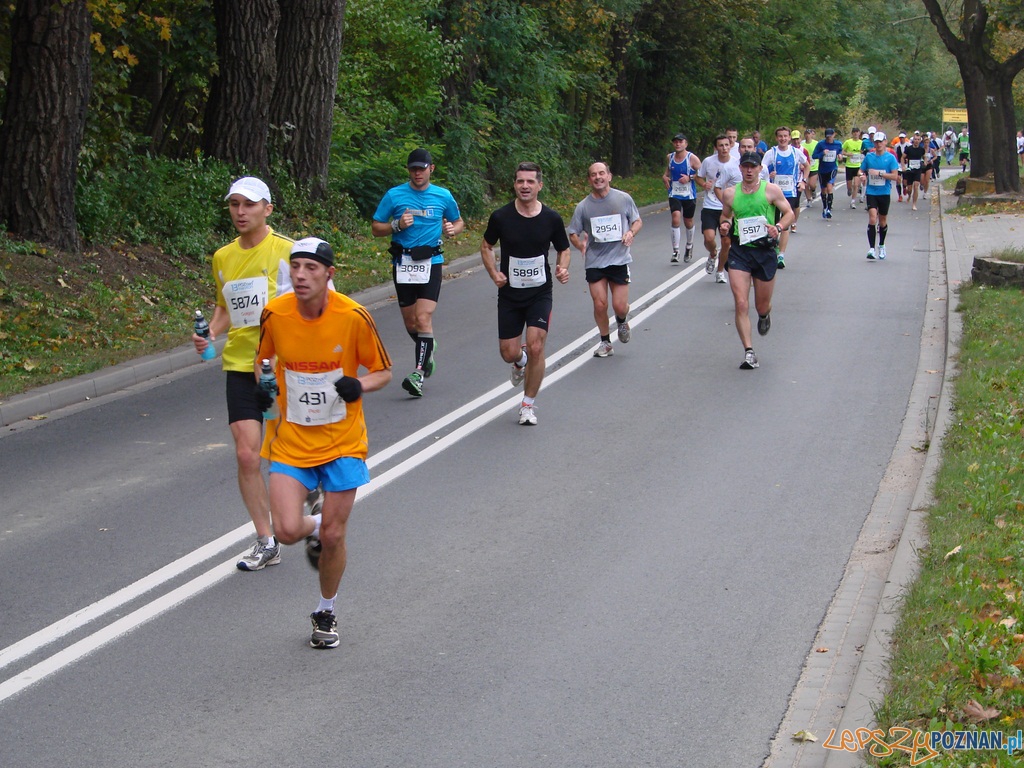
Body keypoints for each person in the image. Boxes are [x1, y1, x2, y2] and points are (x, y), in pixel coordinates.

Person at [255, 237, 392, 649]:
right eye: (295, 267)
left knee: (334, 537)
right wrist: (263, 384)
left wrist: (359, 384)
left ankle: (325, 610)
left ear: (329, 274)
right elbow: (263, 361)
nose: (300, 275)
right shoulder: (275, 314)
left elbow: (383, 371)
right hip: (292, 440)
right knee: (286, 530)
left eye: (311, 268)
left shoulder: (352, 316)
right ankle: (316, 522)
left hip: (343, 442)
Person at [191, 176, 297, 572]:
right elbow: (225, 307)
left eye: (249, 204)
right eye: (234, 204)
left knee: (289, 449)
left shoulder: (288, 251)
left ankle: (310, 496)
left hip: (282, 365)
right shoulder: (223, 257)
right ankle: (266, 540)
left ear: (267, 209)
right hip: (239, 363)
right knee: (246, 453)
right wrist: (210, 333)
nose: (240, 212)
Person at [480, 162, 571, 425]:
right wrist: (494, 273)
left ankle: (527, 405)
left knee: (536, 345)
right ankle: (519, 361)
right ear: (514, 185)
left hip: (539, 293)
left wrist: (562, 268)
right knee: (508, 352)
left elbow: (564, 249)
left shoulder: (551, 218)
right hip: (510, 294)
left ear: (539, 185)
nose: (525, 186)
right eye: (520, 181)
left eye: (530, 181)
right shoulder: (501, 217)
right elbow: (486, 246)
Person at [371, 148, 464, 398]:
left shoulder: (443, 195)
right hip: (403, 262)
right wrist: (396, 225)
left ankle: (418, 374)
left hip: (431, 262)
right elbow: (376, 227)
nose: (417, 173)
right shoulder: (394, 195)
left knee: (423, 318)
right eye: (413, 169)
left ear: (431, 169)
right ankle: (427, 345)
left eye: (421, 169)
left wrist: (452, 230)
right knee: (411, 322)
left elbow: (458, 221)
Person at [718, 152, 795, 370]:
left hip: (764, 252)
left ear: (760, 169)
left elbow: (789, 213)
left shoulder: (771, 190)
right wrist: (725, 225)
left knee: (761, 305)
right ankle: (749, 352)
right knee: (741, 303)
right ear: (740, 169)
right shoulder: (730, 194)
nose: (749, 170)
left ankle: (764, 315)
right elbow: (725, 216)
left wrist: (778, 227)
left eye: (753, 166)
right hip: (740, 252)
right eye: (745, 166)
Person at [567, 162, 642, 358]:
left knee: (619, 306)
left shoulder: (623, 199)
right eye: (593, 174)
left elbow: (637, 220)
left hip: (619, 259)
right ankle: (605, 342)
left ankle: (622, 319)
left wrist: (630, 233)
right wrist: (580, 245)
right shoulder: (583, 207)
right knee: (600, 304)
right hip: (595, 261)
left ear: (609, 176)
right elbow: (573, 232)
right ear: (589, 179)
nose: (598, 177)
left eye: (601, 173)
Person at [697, 134, 742, 284]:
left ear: (730, 146)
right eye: (721, 145)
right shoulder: (708, 161)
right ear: (716, 147)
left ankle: (720, 271)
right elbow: (698, 176)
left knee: (726, 242)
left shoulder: (736, 163)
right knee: (709, 238)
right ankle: (712, 253)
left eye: (726, 145)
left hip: (728, 208)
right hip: (710, 205)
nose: (724, 148)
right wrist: (704, 184)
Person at [761, 126, 808, 269]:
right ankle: (774, 249)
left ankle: (781, 255)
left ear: (789, 138)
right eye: (780, 136)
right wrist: (769, 175)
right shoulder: (771, 153)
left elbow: (807, 165)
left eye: (785, 136)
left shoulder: (796, 152)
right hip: (773, 194)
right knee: (774, 223)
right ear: (776, 138)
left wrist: (803, 181)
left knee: (785, 224)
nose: (783, 139)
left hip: (790, 193)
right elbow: (761, 170)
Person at [858, 131, 900, 260]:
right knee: (872, 218)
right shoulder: (869, 157)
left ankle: (881, 245)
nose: (878, 144)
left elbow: (895, 176)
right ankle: (871, 249)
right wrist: (862, 175)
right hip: (871, 192)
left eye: (881, 141)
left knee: (882, 221)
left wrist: (880, 174)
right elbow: (861, 170)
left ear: (885, 142)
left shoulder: (890, 158)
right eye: (876, 142)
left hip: (884, 192)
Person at [662, 133, 701, 263]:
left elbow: (702, 174)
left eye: (680, 141)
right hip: (674, 193)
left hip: (689, 194)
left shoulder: (692, 158)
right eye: (675, 142)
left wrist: (689, 177)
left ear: (686, 143)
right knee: (675, 217)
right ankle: (676, 250)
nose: (678, 144)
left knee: (688, 221)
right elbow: (667, 172)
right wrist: (664, 177)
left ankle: (689, 246)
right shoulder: (670, 157)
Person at [811, 128, 844, 219]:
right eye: (827, 137)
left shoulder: (838, 144)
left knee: (829, 187)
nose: (829, 138)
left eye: (830, 136)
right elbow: (814, 156)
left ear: (834, 135)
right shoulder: (821, 144)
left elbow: (840, 151)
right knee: (823, 190)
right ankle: (825, 207)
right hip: (822, 170)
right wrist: (822, 153)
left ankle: (829, 209)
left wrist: (840, 155)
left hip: (832, 168)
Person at [900, 132, 927, 210]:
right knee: (909, 189)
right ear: (913, 140)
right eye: (915, 139)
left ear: (920, 141)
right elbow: (902, 158)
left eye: (918, 139)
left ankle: (914, 204)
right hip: (910, 170)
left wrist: (925, 162)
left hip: (918, 170)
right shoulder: (909, 149)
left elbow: (924, 157)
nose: (916, 141)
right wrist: (903, 166)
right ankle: (909, 195)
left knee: (916, 186)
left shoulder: (921, 149)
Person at [842, 128, 865, 207]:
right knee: (849, 186)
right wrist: (847, 154)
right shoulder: (848, 142)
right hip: (849, 166)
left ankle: (853, 201)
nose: (855, 134)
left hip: (858, 166)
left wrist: (862, 153)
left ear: (859, 133)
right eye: (854, 132)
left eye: (857, 132)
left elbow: (865, 152)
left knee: (856, 184)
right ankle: (849, 189)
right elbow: (842, 151)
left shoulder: (862, 142)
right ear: (852, 133)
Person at [802, 128, 820, 206]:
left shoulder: (816, 143)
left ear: (811, 135)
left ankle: (813, 190)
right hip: (805, 167)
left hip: (814, 167)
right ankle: (809, 199)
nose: (807, 135)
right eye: (806, 134)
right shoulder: (802, 144)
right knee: (805, 184)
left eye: (808, 134)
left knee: (812, 184)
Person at [893, 132, 910, 202]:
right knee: (898, 179)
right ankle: (899, 195)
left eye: (903, 138)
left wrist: (908, 159)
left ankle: (904, 187)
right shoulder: (897, 146)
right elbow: (895, 154)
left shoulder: (908, 145)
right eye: (900, 138)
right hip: (899, 164)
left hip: (906, 164)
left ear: (905, 138)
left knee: (905, 181)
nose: (901, 139)